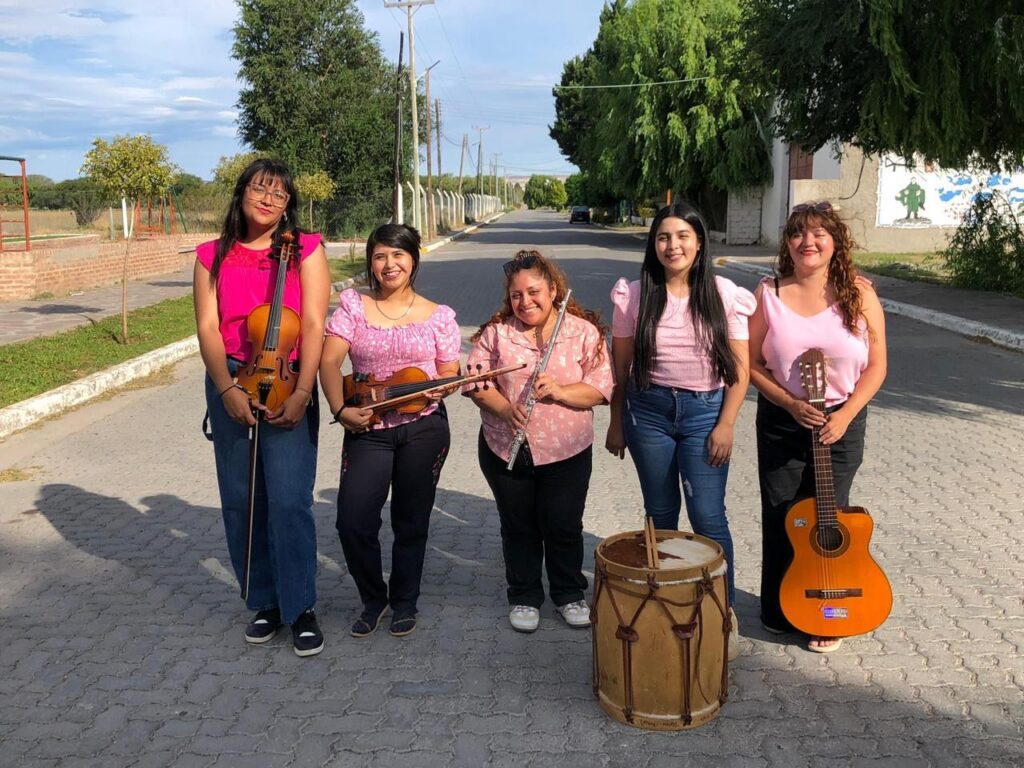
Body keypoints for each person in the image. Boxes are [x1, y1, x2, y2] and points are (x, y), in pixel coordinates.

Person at [194, 158, 330, 657]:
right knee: (241, 498)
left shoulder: (304, 250)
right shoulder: (212, 254)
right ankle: (265, 602)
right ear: (242, 192)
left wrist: (301, 392)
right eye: (260, 189)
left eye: (280, 194)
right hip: (231, 374)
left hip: (290, 376)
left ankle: (301, 607)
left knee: (290, 498)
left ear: (288, 204)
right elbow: (208, 327)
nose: (269, 199)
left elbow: (314, 322)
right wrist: (226, 388)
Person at [605, 201, 753, 659]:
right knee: (660, 512)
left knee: (708, 515)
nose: (673, 245)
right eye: (664, 237)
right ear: (654, 245)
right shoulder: (634, 294)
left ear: (699, 242)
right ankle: (665, 604)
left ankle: (720, 608)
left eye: (682, 236)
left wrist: (726, 423)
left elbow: (741, 370)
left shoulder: (724, 294)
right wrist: (616, 423)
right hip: (647, 413)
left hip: (705, 413)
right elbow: (622, 366)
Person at [749, 201, 887, 653]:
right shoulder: (768, 293)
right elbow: (749, 364)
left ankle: (826, 609)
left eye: (818, 234)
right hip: (783, 419)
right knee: (782, 511)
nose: (807, 242)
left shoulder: (859, 293)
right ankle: (780, 607)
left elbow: (878, 366)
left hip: (842, 419)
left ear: (835, 242)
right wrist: (789, 402)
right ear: (787, 244)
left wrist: (846, 415)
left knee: (829, 515)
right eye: (797, 234)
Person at [319, 223, 461, 639]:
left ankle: (404, 601)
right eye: (380, 256)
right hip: (369, 426)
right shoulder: (354, 307)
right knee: (352, 520)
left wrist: (448, 384)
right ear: (371, 263)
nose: (389, 264)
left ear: (413, 259)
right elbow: (329, 364)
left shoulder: (439, 316)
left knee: (410, 520)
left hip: (423, 428)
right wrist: (340, 408)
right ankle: (372, 598)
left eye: (397, 255)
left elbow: (449, 372)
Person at [465, 250, 613, 633]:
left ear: (553, 289)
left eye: (534, 292)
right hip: (506, 447)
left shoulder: (582, 332)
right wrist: (504, 409)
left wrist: (561, 391)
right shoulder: (497, 334)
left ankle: (568, 593)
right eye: (517, 295)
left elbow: (599, 389)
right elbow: (477, 384)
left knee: (563, 524)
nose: (525, 301)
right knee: (518, 527)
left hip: (567, 450)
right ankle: (525, 595)